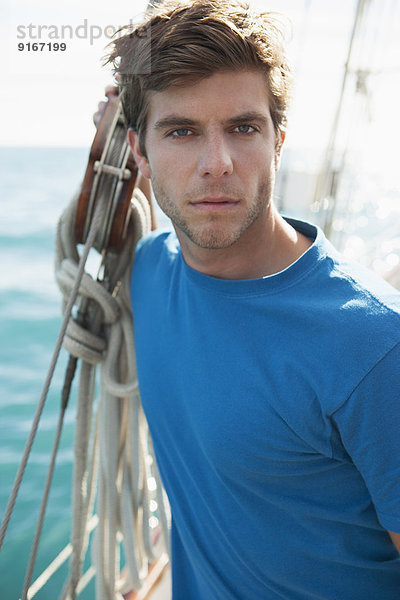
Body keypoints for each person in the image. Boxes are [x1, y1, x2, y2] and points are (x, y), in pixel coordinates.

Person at [105, 1, 400, 598]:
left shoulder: (373, 348)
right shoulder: (147, 275)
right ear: (138, 152)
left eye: (243, 128)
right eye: (181, 131)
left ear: (278, 141)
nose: (218, 165)